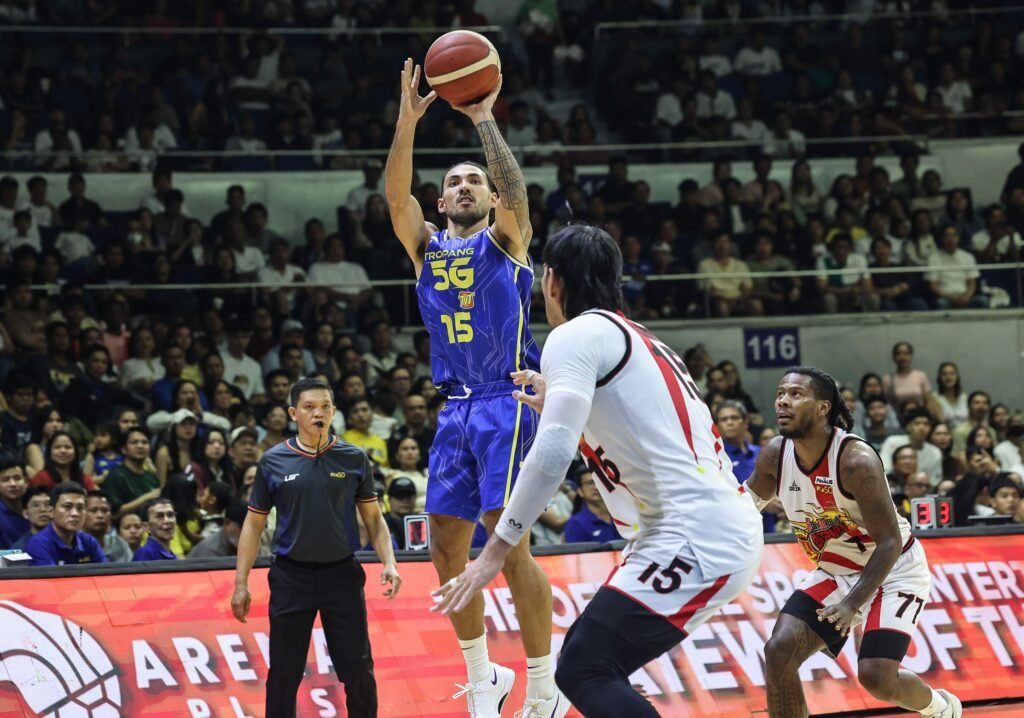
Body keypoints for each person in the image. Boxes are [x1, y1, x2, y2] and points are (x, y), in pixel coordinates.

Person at [433, 224, 764, 718]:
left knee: (585, 667)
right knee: (594, 667)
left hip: (693, 535)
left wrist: (495, 551)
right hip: (699, 529)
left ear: (551, 281)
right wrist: (566, 404)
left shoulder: (574, 335)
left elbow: (552, 451)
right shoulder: (636, 336)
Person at [385, 58, 557, 716]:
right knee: (446, 544)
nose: (462, 186)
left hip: (504, 402)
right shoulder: (426, 247)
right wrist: (407, 124)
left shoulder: (506, 241)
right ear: (440, 199)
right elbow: (395, 197)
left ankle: (543, 685)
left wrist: (484, 118)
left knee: (505, 539)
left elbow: (517, 194)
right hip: (453, 410)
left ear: (488, 200)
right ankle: (486, 680)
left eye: (473, 183)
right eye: (452, 181)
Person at [743, 367, 961, 718]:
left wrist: (850, 604)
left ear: (822, 408)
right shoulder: (775, 454)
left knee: (876, 678)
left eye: (796, 394)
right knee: (780, 651)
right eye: (781, 393)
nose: (782, 400)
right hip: (836, 570)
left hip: (894, 569)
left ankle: (940, 707)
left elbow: (889, 542)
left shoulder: (855, 461)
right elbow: (745, 506)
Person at [231, 378, 400, 718]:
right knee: (284, 672)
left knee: (358, 669)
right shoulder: (273, 461)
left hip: (342, 575)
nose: (317, 413)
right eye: (309, 407)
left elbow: (374, 519)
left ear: (333, 411)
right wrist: (241, 583)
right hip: (291, 577)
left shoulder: (353, 458)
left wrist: (390, 562)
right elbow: (253, 523)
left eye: (324, 406)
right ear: (294, 413)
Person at [26, 483, 108, 566]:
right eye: (67, 507)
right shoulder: (39, 544)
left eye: (80, 508)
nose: (75, 513)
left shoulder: (89, 541)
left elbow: (106, 574)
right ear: (51, 512)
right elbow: (52, 578)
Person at [562, 469, 617, 544]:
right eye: (590, 483)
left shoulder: (623, 516)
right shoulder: (575, 524)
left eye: (600, 481)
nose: (596, 487)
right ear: (580, 491)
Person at [83, 490, 132, 562]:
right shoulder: (73, 545)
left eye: (105, 510)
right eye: (93, 510)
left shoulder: (119, 543)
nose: (100, 516)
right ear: (82, 514)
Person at [0, 452, 29, 549]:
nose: (12, 484)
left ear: (26, 481)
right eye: (5, 480)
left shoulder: (36, 509)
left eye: (17, 478)